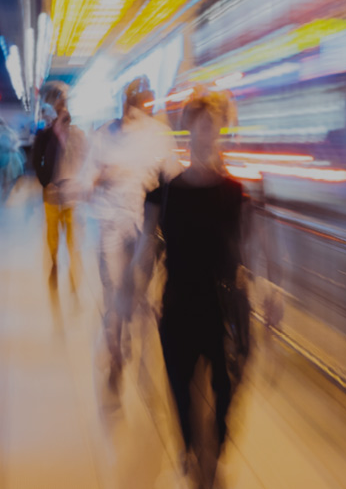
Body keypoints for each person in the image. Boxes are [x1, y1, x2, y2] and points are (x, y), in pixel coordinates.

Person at [153, 91, 250, 489]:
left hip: (222, 307)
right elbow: (148, 249)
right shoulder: (168, 193)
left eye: (216, 126)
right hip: (178, 303)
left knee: (227, 386)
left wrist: (266, 290)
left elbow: (248, 251)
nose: (210, 133)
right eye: (203, 124)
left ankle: (214, 443)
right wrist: (132, 292)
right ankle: (192, 448)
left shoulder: (234, 193)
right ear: (189, 129)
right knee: (181, 389)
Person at [81, 77, 181, 415]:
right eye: (135, 101)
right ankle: (116, 353)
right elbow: (86, 181)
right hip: (111, 225)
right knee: (115, 293)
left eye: (144, 102)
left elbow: (173, 178)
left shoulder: (159, 135)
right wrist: (98, 178)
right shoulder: (103, 136)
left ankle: (124, 334)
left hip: (144, 229)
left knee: (133, 293)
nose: (139, 108)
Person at [29, 81, 85, 293]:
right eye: (59, 102)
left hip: (71, 193)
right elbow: (36, 161)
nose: (62, 106)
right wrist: (47, 182)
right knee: (53, 234)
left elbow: (85, 159)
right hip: (52, 193)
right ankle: (53, 262)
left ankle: (72, 271)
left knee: (72, 235)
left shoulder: (77, 134)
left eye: (64, 102)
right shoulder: (45, 135)